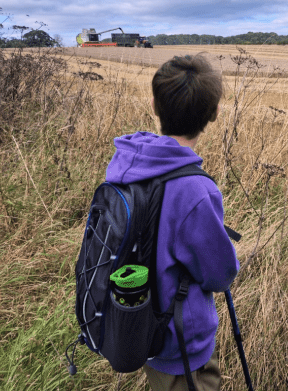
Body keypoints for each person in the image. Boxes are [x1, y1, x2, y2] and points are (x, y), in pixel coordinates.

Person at [104, 54, 239, 390]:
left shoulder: (128, 163)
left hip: (136, 317)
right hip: (178, 342)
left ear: (154, 105)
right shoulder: (194, 189)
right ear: (214, 113)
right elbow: (219, 275)